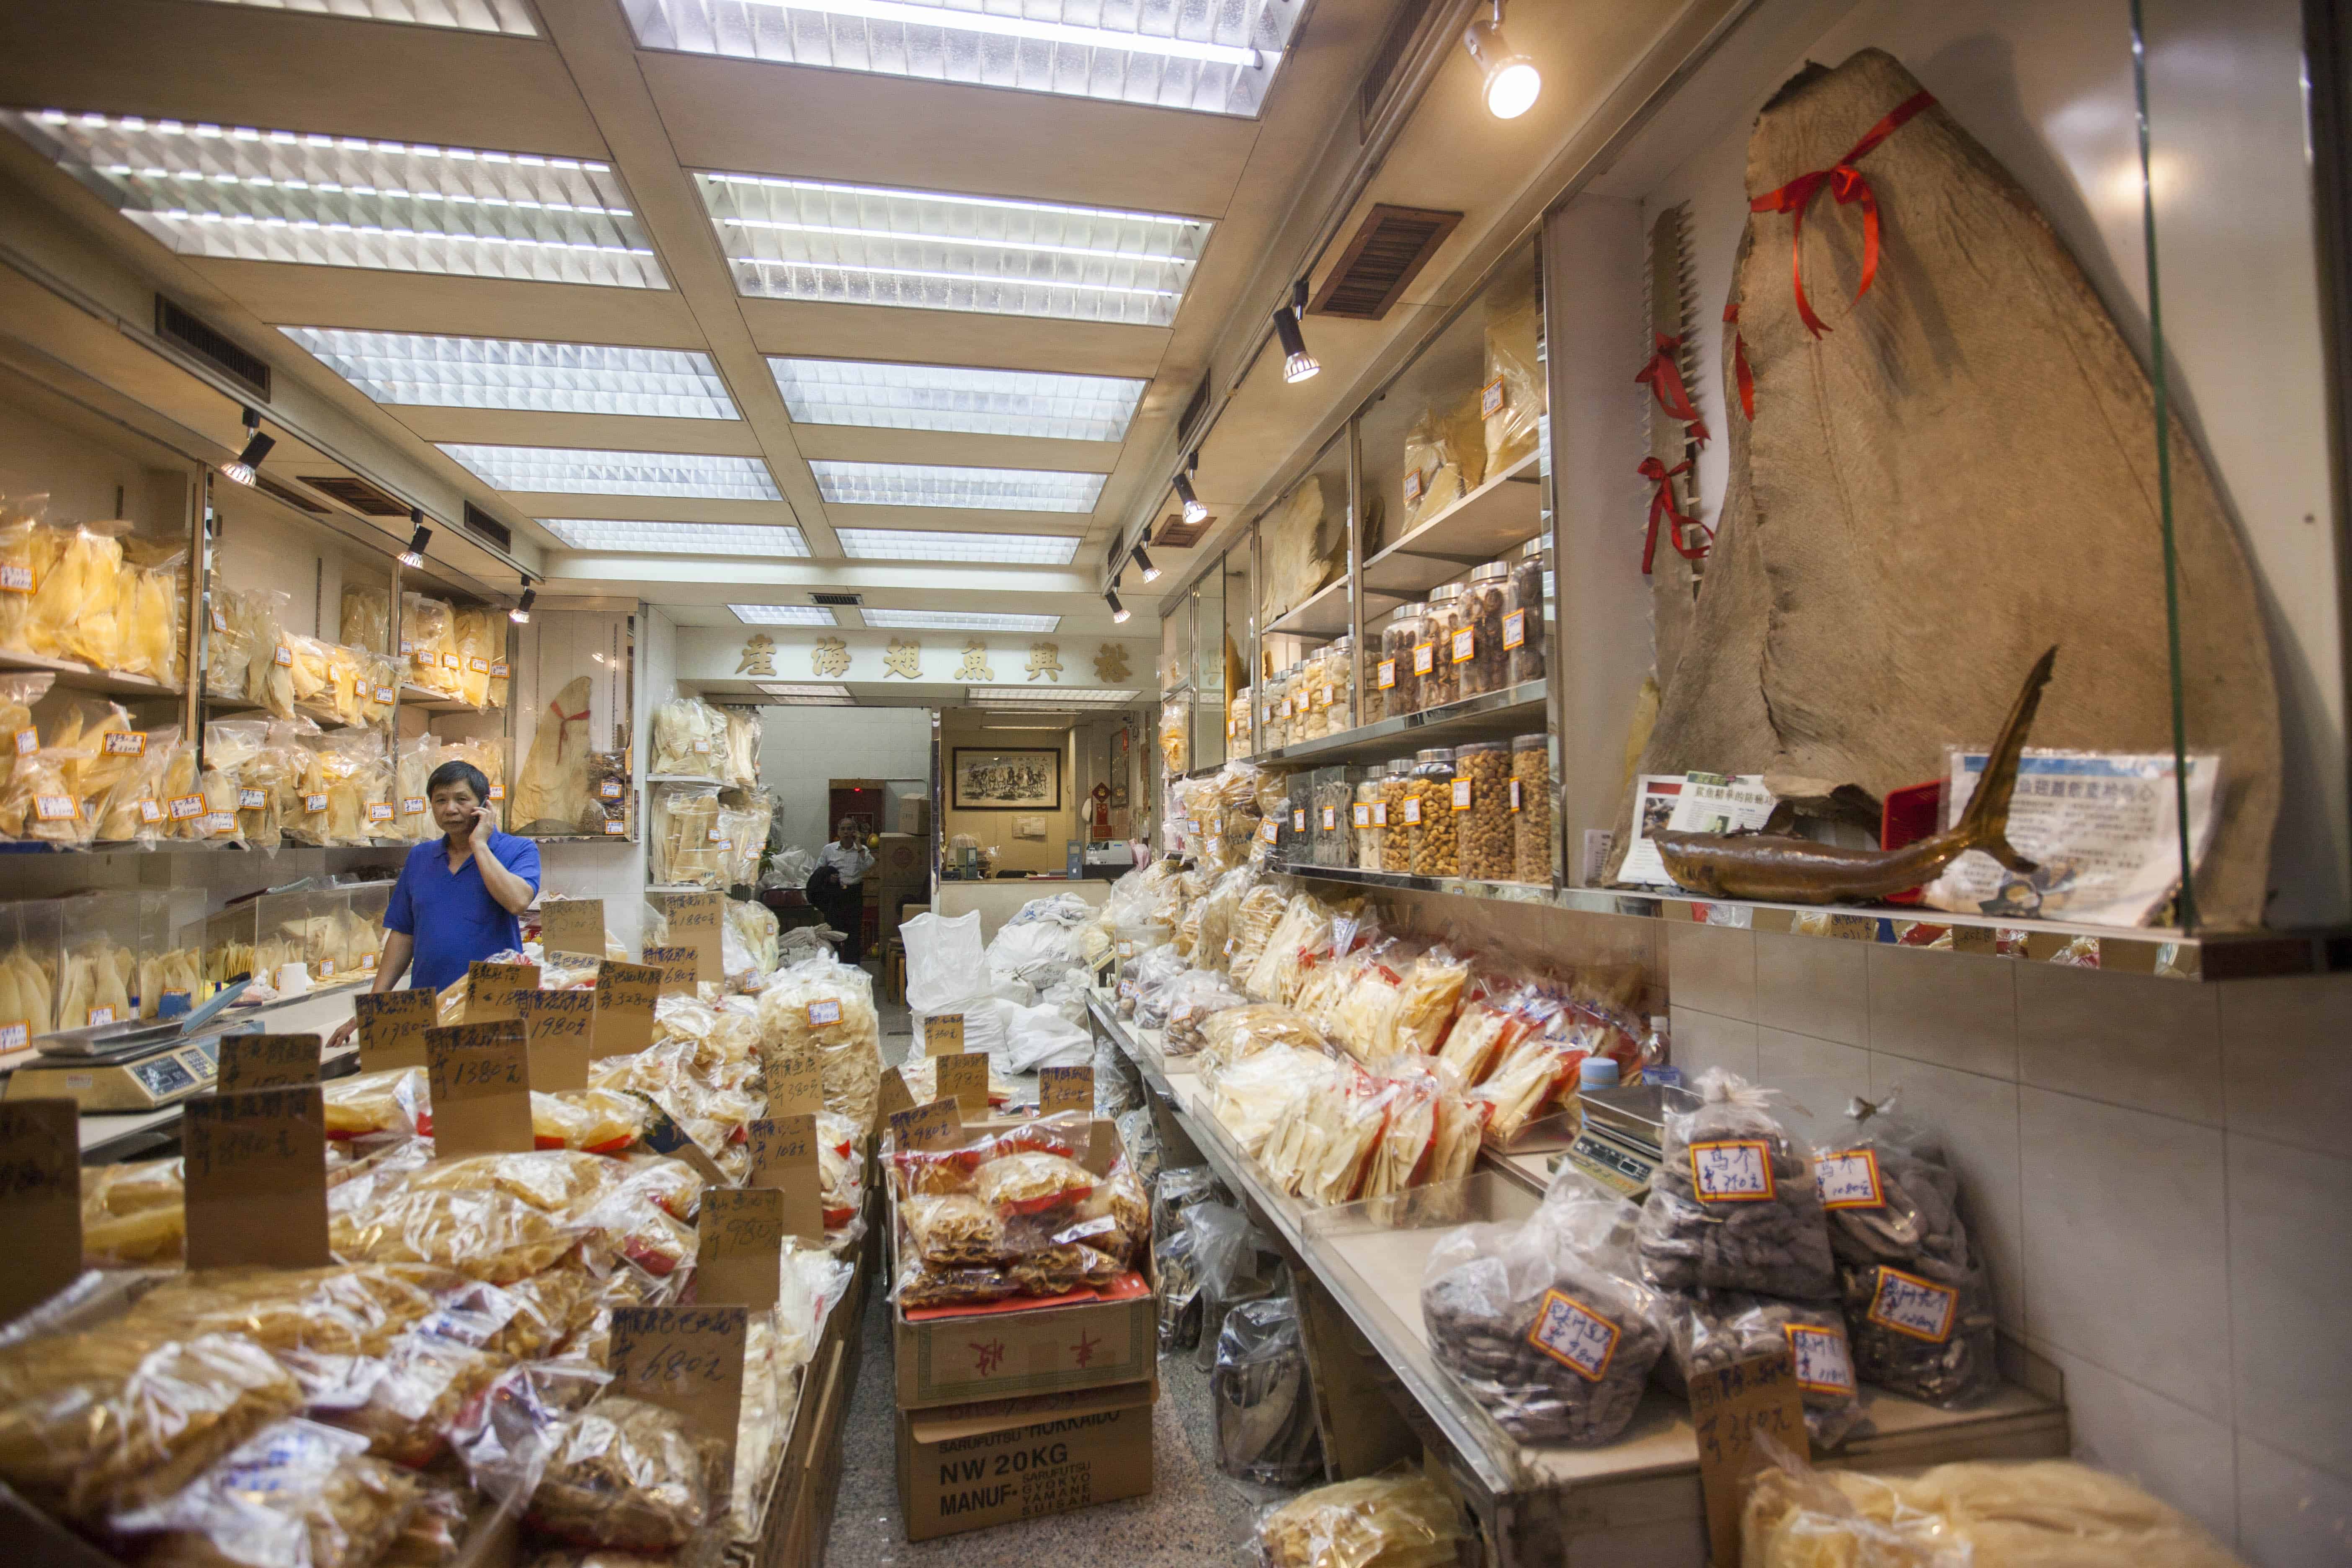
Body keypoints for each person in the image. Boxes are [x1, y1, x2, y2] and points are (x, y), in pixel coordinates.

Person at [326, 759, 540, 1050]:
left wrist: (480, 845)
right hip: (429, 1009)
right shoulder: (420, 857)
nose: (450, 809)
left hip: (497, 1007)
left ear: (485, 806)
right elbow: (403, 934)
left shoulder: (518, 850)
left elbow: (517, 901)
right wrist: (373, 1007)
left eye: (461, 799)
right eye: (440, 800)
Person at [814, 817, 876, 965]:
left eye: (850, 829)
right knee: (833, 930)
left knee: (853, 933)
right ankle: (833, 965)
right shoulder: (829, 849)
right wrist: (828, 878)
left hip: (853, 894)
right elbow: (818, 871)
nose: (847, 832)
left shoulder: (862, 850)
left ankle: (852, 967)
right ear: (838, 832)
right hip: (835, 895)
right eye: (843, 829)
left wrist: (859, 844)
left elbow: (868, 865)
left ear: (855, 832)